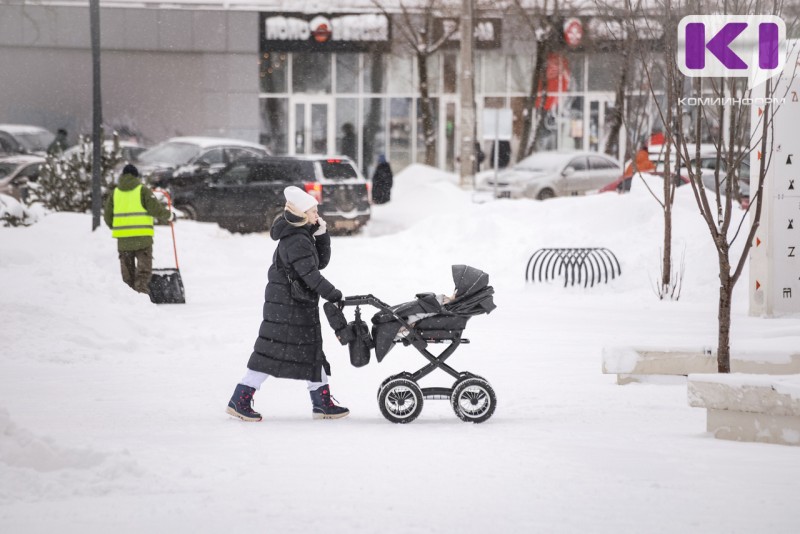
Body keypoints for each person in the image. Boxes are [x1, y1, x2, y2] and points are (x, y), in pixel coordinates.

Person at [226, 186, 348, 422]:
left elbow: (319, 263)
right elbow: (311, 275)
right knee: (271, 352)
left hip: (295, 304)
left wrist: (321, 235)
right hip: (287, 307)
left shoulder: (302, 235)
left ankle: (321, 403)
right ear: (302, 213)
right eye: (313, 212)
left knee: (312, 353)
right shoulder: (296, 239)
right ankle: (239, 399)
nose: (317, 215)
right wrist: (333, 294)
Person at [103, 164, 173, 294]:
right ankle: (141, 300)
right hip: (143, 240)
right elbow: (155, 210)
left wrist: (118, 227)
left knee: (128, 276)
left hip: (124, 241)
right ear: (136, 176)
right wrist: (169, 215)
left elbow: (107, 217)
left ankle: (129, 301)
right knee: (143, 273)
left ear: (122, 176)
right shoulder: (142, 190)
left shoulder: (115, 193)